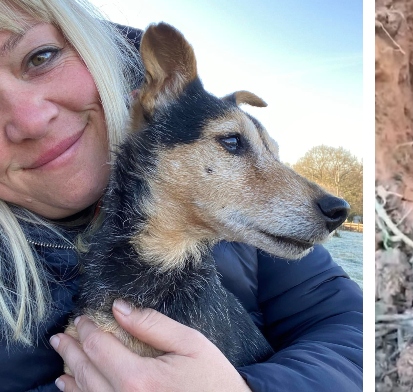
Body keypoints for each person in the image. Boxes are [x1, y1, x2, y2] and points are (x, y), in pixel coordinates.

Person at [0, 1, 363, 391]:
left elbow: (349, 329)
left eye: (41, 57)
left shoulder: (249, 228)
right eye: (232, 143)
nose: (30, 121)